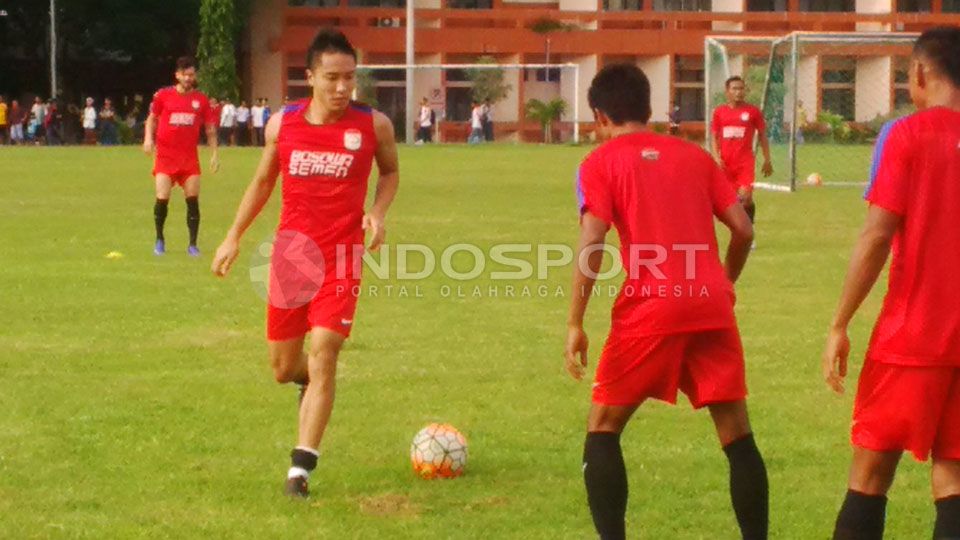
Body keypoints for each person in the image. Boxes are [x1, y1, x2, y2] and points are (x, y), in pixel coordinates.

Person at [565, 63, 765, 540]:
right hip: (709, 302)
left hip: (651, 305)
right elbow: (744, 229)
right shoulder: (696, 157)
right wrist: (724, 282)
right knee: (737, 434)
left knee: (603, 428)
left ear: (599, 115)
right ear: (648, 108)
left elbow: (593, 240)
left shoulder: (599, 162)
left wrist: (575, 320)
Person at [210, 28, 399, 499]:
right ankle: (306, 384)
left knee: (325, 349)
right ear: (310, 76)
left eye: (350, 79)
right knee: (283, 367)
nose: (342, 88)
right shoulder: (282, 125)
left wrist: (376, 212)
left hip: (343, 257)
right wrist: (233, 236)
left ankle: (301, 469)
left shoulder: (373, 126)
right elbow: (261, 182)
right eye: (332, 78)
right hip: (292, 257)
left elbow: (391, 171)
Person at [822, 26, 960, 540]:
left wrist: (839, 323)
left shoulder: (905, 135)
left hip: (912, 338)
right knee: (952, 478)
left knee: (870, 477)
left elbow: (877, 236)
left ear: (920, 73)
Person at [142, 56, 220, 257]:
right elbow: (151, 119)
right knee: (162, 198)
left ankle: (193, 245)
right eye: (184, 75)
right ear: (177, 75)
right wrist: (148, 139)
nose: (188, 78)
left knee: (192, 200)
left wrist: (214, 154)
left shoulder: (201, 100)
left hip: (189, 159)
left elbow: (210, 129)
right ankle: (159, 240)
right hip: (166, 157)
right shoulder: (163, 96)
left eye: (191, 75)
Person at [711, 76, 773, 231]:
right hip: (726, 163)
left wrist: (767, 159)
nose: (739, 92)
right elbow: (714, 136)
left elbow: (763, 135)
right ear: (727, 91)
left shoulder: (752, 112)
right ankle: (739, 228)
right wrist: (716, 157)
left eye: (741, 88)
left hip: (745, 162)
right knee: (731, 201)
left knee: (744, 198)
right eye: (735, 88)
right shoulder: (719, 112)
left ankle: (748, 232)